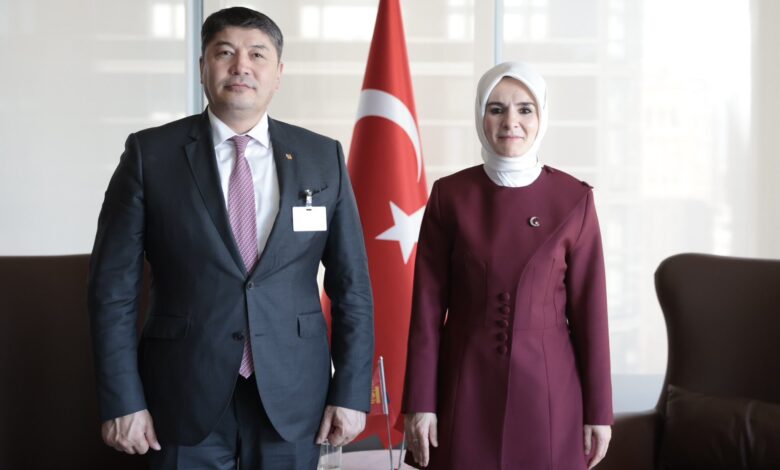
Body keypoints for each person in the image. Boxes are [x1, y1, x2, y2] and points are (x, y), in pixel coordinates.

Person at [88, 7, 374, 469]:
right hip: (180, 394)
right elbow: (112, 289)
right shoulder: (150, 154)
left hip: (294, 395)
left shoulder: (322, 157)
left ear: (278, 73)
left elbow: (352, 287)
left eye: (257, 54)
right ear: (203, 66)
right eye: (225, 53)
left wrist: (351, 392)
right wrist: (122, 400)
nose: (241, 66)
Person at [401, 61, 613, 470]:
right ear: (480, 116)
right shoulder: (450, 195)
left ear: (542, 116)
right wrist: (420, 402)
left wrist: (599, 412)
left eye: (524, 109)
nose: (510, 121)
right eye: (496, 108)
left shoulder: (574, 199)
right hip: (463, 385)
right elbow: (426, 312)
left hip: (549, 390)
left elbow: (592, 315)